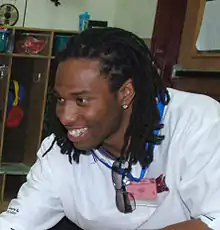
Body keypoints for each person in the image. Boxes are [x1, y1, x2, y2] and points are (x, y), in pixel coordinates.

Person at [0, 27, 220, 230]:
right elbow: (18, 222)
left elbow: (215, 220)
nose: (65, 117)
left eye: (82, 100)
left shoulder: (198, 123)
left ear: (125, 93)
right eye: (59, 99)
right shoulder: (59, 151)